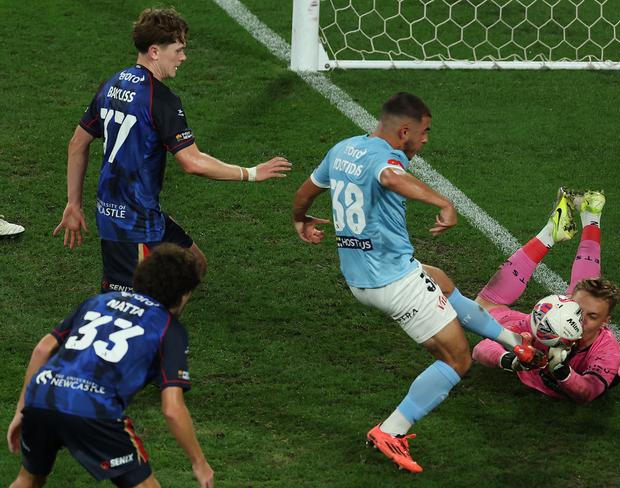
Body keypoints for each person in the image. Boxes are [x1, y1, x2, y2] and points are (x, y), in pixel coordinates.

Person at [292, 92, 544, 473]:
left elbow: (306, 191)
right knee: (457, 358)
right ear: (404, 130)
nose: (426, 140)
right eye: (424, 132)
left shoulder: (342, 149)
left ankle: (514, 344)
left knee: (440, 280)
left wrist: (300, 219)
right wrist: (444, 202)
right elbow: (392, 177)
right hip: (393, 283)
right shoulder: (386, 160)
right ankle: (391, 429)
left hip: (363, 275)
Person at [53, 7, 291, 293]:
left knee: (193, 264)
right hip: (133, 224)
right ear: (155, 51)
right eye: (178, 50)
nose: (183, 57)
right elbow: (192, 162)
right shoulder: (161, 99)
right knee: (130, 305)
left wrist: (74, 203)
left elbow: (77, 143)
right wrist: (250, 173)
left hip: (130, 212)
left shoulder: (111, 85)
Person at [6, 244, 213, 487]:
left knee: (28, 480)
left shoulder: (98, 301)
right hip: (93, 409)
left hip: (43, 397)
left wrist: (23, 408)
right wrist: (199, 462)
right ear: (182, 294)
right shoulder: (169, 329)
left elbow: (43, 349)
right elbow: (171, 407)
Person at [472, 189, 620, 403]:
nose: (579, 320)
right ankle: (586, 217)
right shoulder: (550, 321)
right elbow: (481, 349)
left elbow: (589, 391)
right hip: (546, 322)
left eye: (593, 316)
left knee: (481, 309)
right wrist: (513, 357)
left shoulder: (607, 349)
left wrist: (561, 371)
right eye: (576, 310)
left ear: (606, 322)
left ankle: (569, 224)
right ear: (566, 304)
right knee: (480, 313)